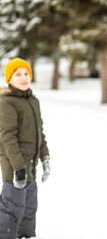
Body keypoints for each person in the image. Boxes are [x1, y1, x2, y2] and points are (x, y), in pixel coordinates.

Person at [0, 58, 51, 239]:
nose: (23, 78)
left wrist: (45, 158)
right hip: (15, 168)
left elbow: (40, 133)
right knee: (11, 210)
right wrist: (18, 168)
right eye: (18, 74)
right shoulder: (8, 102)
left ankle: (26, 236)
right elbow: (7, 138)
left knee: (29, 209)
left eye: (26, 73)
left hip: (31, 167)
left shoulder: (32, 101)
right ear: (9, 79)